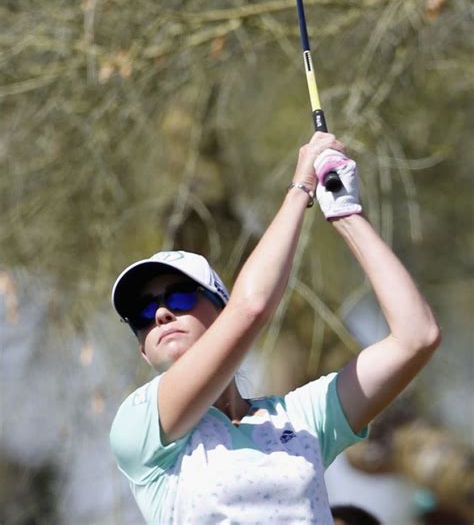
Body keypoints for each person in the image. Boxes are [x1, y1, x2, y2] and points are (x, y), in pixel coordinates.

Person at [109, 132, 441, 524]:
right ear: (142, 349)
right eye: (143, 314)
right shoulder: (140, 428)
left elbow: (416, 337)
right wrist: (301, 189)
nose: (161, 314)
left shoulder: (301, 417)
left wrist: (347, 214)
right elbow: (251, 307)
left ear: (220, 313)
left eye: (180, 297)